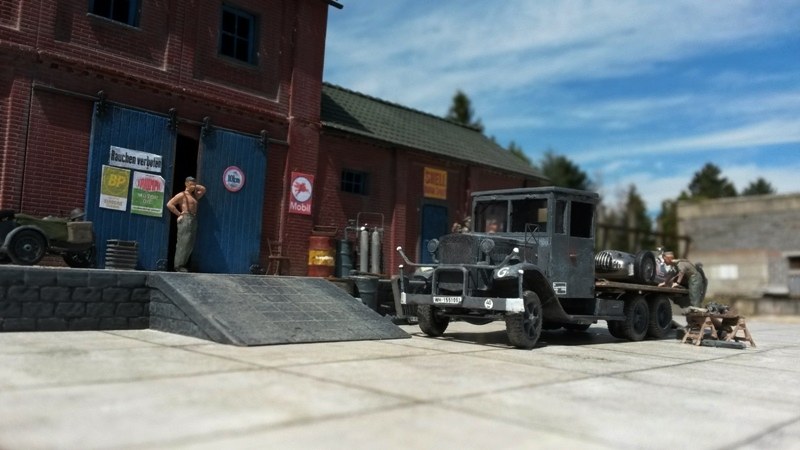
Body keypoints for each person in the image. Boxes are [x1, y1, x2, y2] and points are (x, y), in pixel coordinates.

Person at [166, 176, 206, 272]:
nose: (193, 185)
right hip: (186, 218)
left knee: (190, 243)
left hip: (193, 218)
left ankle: (183, 264)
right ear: (186, 183)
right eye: (191, 183)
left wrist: (194, 186)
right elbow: (169, 204)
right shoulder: (182, 195)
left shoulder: (194, 196)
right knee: (183, 242)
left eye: (194, 183)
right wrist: (179, 214)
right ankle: (178, 265)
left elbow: (203, 189)